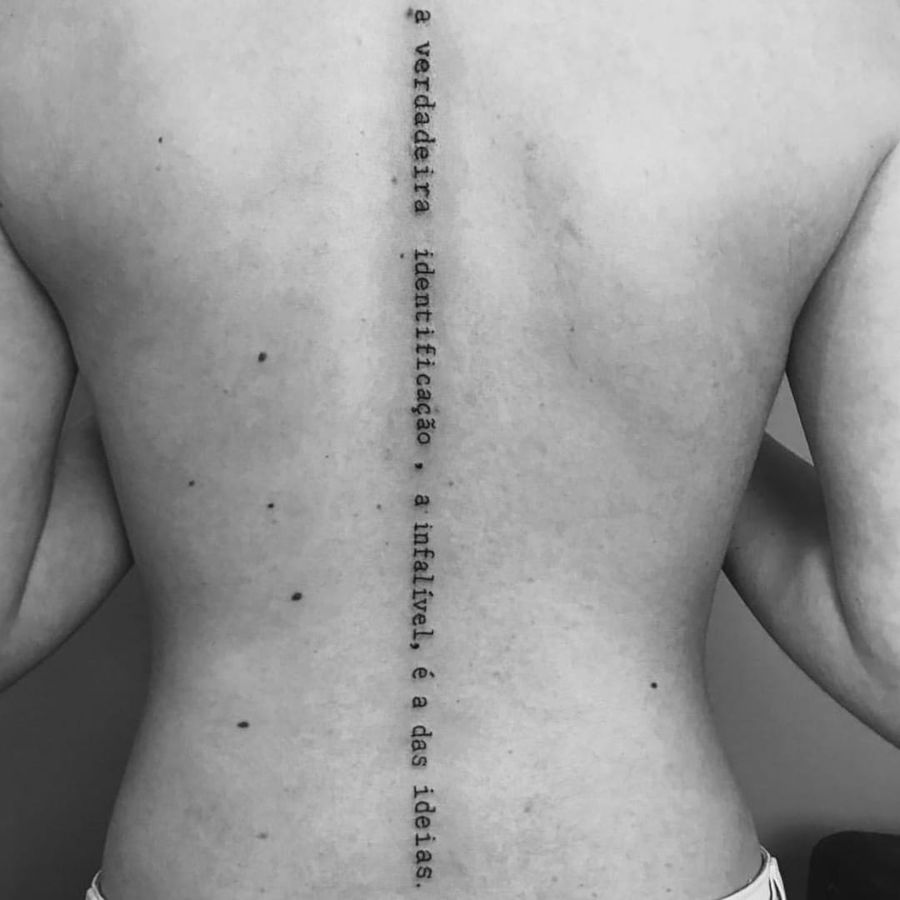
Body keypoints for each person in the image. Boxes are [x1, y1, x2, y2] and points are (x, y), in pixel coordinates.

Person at [0, 1, 898, 897]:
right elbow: (887, 647)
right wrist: (677, 417)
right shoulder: (837, 44)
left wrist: (171, 394)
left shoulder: (40, 46)